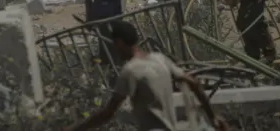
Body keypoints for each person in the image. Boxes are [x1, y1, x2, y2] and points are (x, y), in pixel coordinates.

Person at [64, 21, 227, 131]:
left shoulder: (130, 71)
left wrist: (75, 129)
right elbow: (194, 83)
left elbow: (108, 113)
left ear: (119, 43)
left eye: (115, 45)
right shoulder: (160, 59)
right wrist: (214, 116)